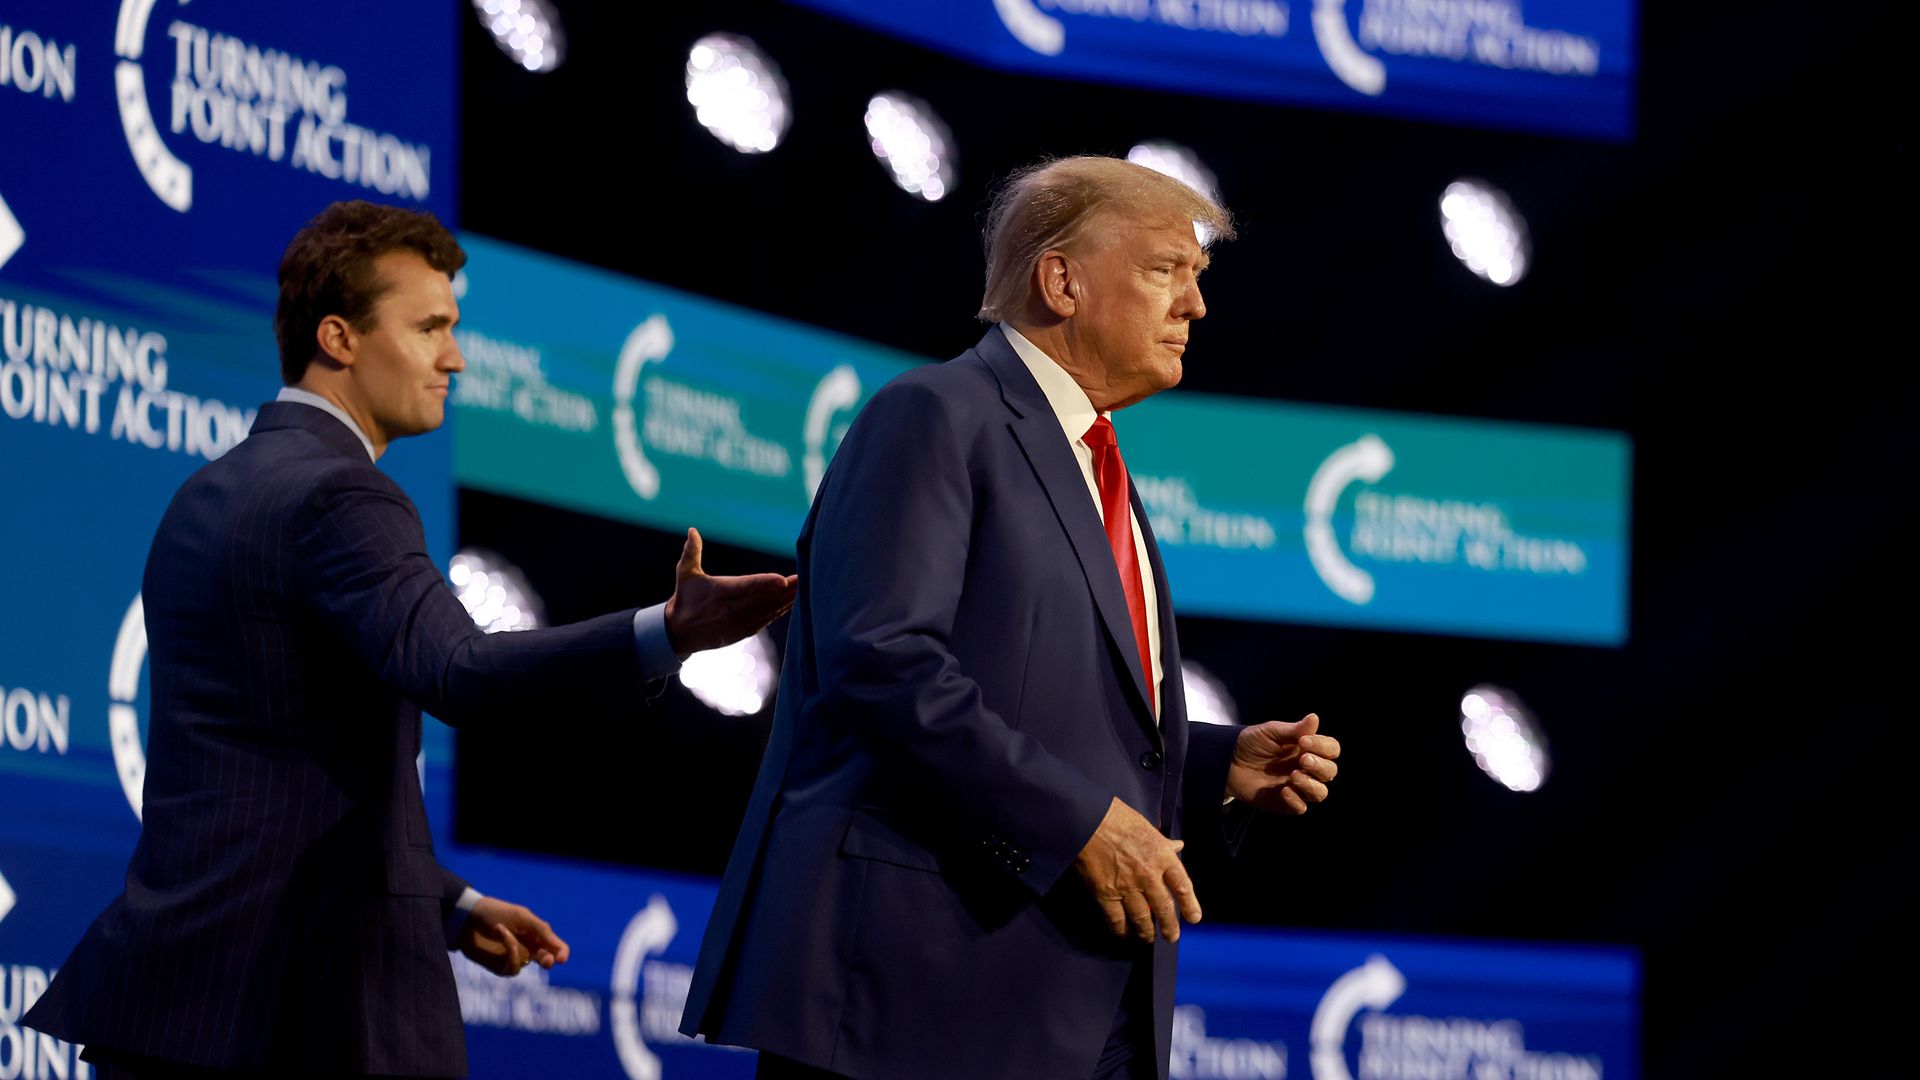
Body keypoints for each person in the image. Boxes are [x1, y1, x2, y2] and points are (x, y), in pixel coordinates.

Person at [24, 201, 797, 1079]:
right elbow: (462, 670)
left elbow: (263, 778)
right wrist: (665, 631)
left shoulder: (205, 494)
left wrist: (449, 903)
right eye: (429, 327)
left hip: (172, 1007)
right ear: (339, 338)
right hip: (301, 1013)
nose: (455, 357)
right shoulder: (344, 496)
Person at [679, 156, 1342, 1080]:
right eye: (1165, 271)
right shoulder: (935, 414)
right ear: (1061, 280)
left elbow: (1040, 698)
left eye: (1198, 280)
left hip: (1073, 999)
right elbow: (885, 665)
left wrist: (1209, 765)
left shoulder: (1095, 460)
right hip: (915, 996)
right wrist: (1081, 826)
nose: (1195, 308)